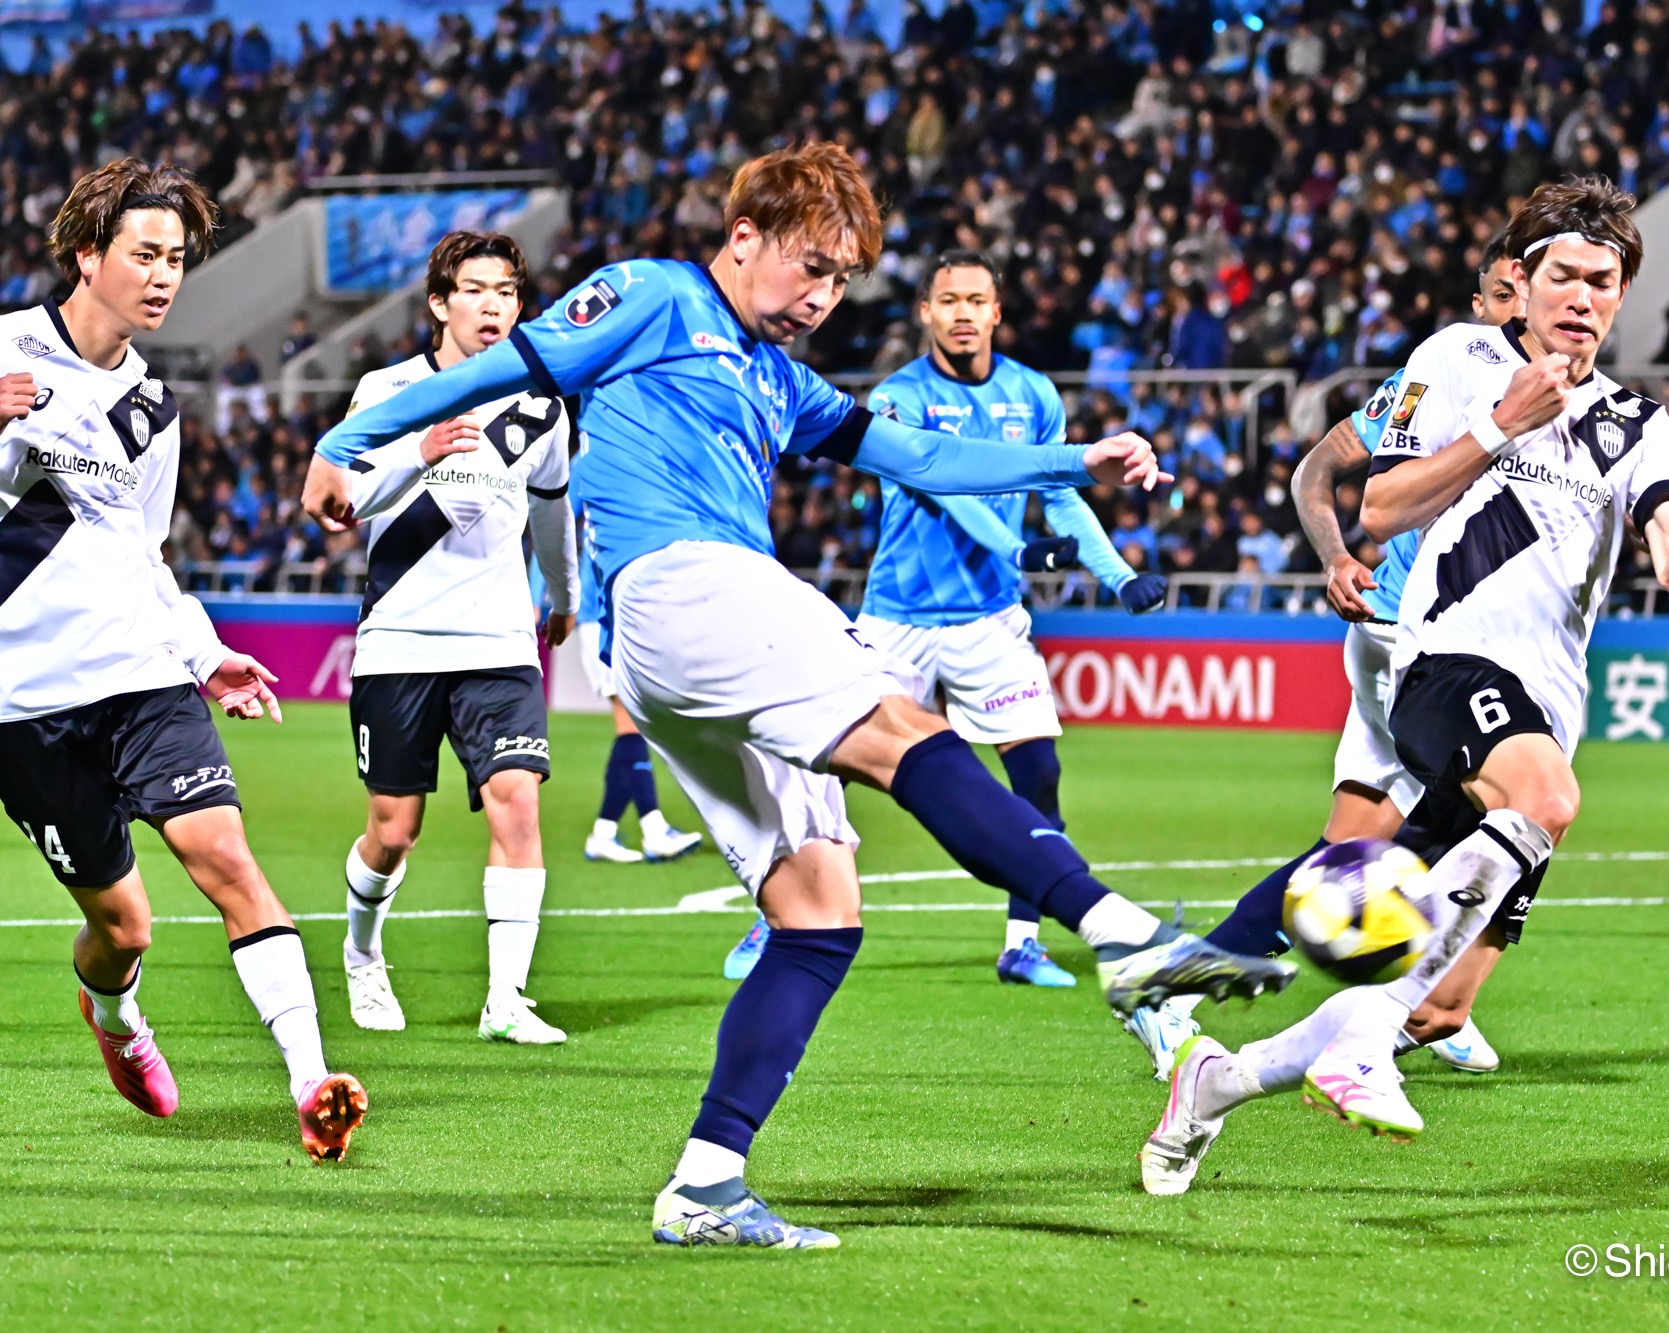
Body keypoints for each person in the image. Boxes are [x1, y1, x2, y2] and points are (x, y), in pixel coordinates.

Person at [302, 143, 1293, 1249]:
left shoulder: (781, 378)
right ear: (745, 239)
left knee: (819, 911)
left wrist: (1074, 465)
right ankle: (1122, 936)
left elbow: (920, 457)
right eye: (809, 266)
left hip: (683, 636)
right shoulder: (653, 295)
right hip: (683, 581)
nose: (821, 297)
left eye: (840, 280)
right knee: (900, 725)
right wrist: (347, 440)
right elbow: (503, 371)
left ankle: (705, 1183)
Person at [1138, 177, 1669, 1194]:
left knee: (1441, 1004)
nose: (1581, 296)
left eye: (1602, 281)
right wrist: (1499, 425)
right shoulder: (1458, 360)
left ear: (1621, 296)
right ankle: (1329, 1035)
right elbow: (1379, 505)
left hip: (1544, 709)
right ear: (1523, 283)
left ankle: (1215, 1085)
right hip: (1444, 664)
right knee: (1546, 796)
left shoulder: (1639, 424)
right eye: (1563, 275)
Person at [0, 159, 366, 1161]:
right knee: (124, 928)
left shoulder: (153, 408)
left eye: (177, 259)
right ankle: (115, 1015)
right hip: (26, 700)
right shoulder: (5, 351)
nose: (164, 276)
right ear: (87, 254)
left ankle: (312, 1081)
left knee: (229, 862)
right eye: (145, 254)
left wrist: (204, 655)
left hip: (141, 677)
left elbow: (141, 553)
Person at [1121, 233, 1522, 1080]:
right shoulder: (1451, 368)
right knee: (1503, 808)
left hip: (1440, 640)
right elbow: (1321, 467)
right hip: (1415, 639)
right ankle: (1420, 999)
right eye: (1500, 292)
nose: (1513, 308)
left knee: (1354, 845)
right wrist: (1336, 554)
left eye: (1529, 289)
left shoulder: (1561, 394)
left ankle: (1178, 984)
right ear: (1479, 303)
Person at [723, 248, 1167, 989]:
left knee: (1038, 773)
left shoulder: (1032, 394)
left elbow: (1059, 493)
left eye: (977, 301)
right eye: (949, 300)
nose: (963, 314)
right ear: (926, 311)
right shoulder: (899, 396)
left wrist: (1117, 576)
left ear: (997, 312)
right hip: (898, 619)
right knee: (824, 770)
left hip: (989, 620)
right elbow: (941, 488)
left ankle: (1023, 944)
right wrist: (1019, 550)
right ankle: (777, 918)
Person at [326, 231, 580, 1044]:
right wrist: (419, 451)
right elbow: (343, 500)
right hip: (400, 637)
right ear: (440, 303)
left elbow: (551, 511)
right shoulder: (388, 390)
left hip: (499, 642)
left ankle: (506, 999)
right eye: (475, 289)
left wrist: (564, 595)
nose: (493, 305)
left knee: (518, 804)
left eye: (506, 291)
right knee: (393, 830)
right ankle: (362, 952)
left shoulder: (540, 404)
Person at [575, 486, 704, 869]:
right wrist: (539, 596)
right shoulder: (595, 473)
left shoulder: (616, 480)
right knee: (631, 727)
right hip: (600, 618)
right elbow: (552, 518)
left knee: (631, 730)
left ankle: (604, 833)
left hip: (615, 616)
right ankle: (653, 828)